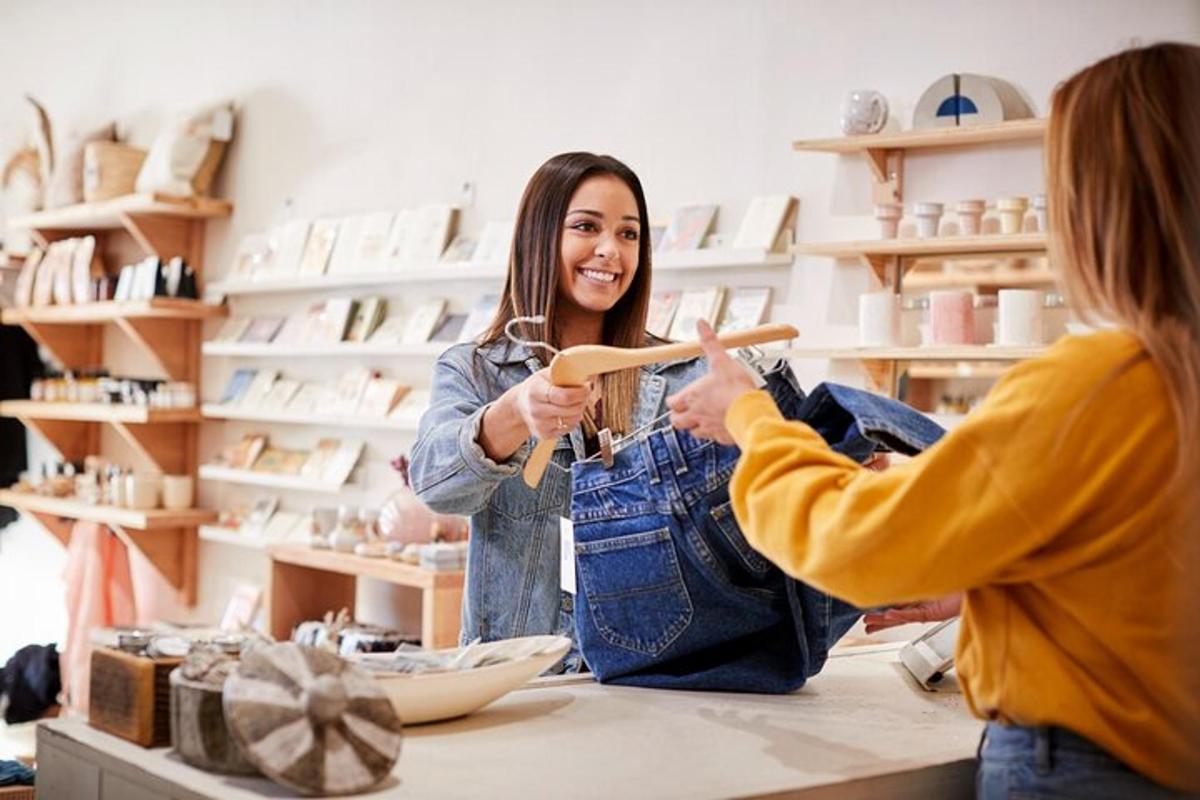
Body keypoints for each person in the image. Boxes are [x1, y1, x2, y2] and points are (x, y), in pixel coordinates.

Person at [667, 43, 1200, 798]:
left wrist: (752, 418)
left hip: (1083, 768)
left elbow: (854, 541)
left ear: (1096, 203)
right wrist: (1008, 580)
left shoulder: (1098, 385)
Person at [409, 152, 705, 665]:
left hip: (653, 675)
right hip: (519, 678)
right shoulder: (475, 370)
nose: (610, 250)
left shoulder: (681, 374)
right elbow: (435, 484)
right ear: (539, 237)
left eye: (629, 234)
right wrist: (513, 414)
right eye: (586, 227)